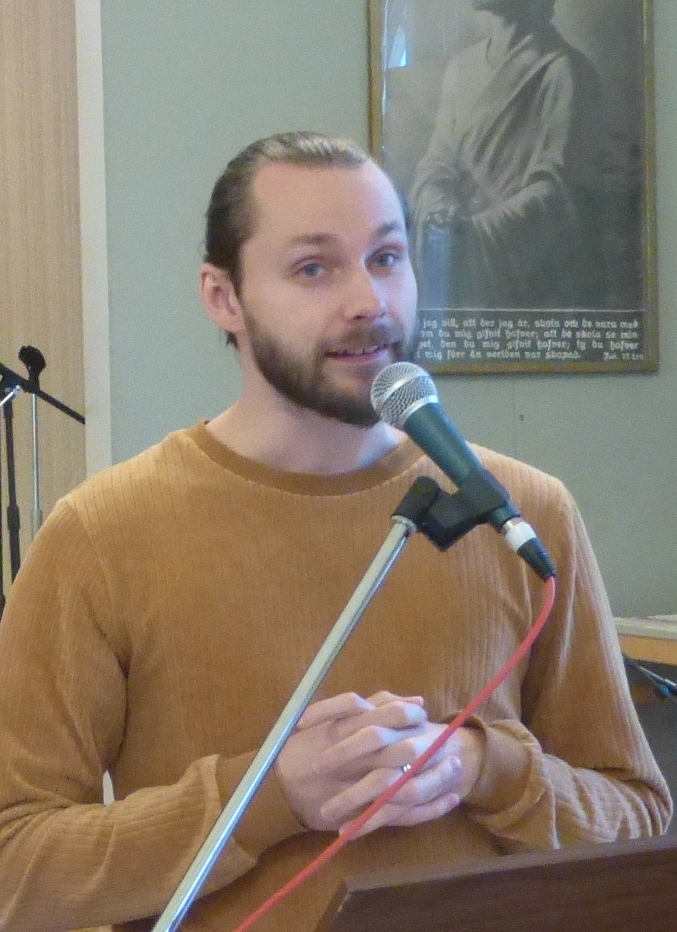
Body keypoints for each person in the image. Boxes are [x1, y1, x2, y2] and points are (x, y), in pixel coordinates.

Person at [0, 131, 670, 932]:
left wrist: (481, 767)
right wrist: (270, 797)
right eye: (314, 268)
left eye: (386, 258)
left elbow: (638, 820)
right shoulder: (102, 535)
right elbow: (15, 863)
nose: (368, 301)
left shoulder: (523, 511)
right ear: (223, 297)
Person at [410, 0, 605, 311]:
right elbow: (438, 161)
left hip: (523, 277)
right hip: (458, 264)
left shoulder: (565, 71)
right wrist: (439, 210)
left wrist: (476, 232)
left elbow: (559, 190)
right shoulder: (461, 67)